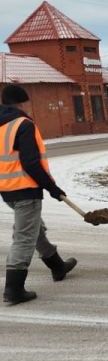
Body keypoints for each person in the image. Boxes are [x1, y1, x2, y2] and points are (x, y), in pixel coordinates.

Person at [1, 83, 76, 306]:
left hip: (7, 190)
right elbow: (31, 162)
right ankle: (14, 289)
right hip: (25, 189)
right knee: (24, 236)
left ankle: (57, 265)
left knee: (34, 229)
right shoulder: (23, 124)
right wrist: (52, 188)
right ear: (22, 102)